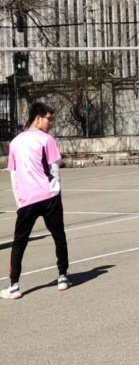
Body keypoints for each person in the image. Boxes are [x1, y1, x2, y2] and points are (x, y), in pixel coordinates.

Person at [3, 103, 69, 299]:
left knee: (19, 242)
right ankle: (63, 275)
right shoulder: (46, 140)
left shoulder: (15, 142)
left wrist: (19, 201)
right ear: (37, 118)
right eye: (49, 119)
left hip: (28, 200)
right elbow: (54, 169)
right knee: (58, 235)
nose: (51, 123)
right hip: (48, 197)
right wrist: (56, 192)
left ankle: (14, 285)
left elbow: (14, 176)